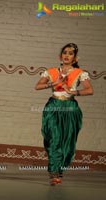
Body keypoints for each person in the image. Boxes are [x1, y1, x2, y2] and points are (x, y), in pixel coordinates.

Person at [35, 43, 93, 185]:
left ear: (74, 58)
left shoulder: (80, 73)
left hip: (70, 108)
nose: (67, 55)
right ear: (60, 56)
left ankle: (60, 170)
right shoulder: (51, 72)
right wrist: (53, 84)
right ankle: (53, 172)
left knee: (67, 141)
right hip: (53, 106)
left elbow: (89, 90)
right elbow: (38, 86)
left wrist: (75, 92)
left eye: (70, 53)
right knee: (54, 138)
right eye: (65, 52)